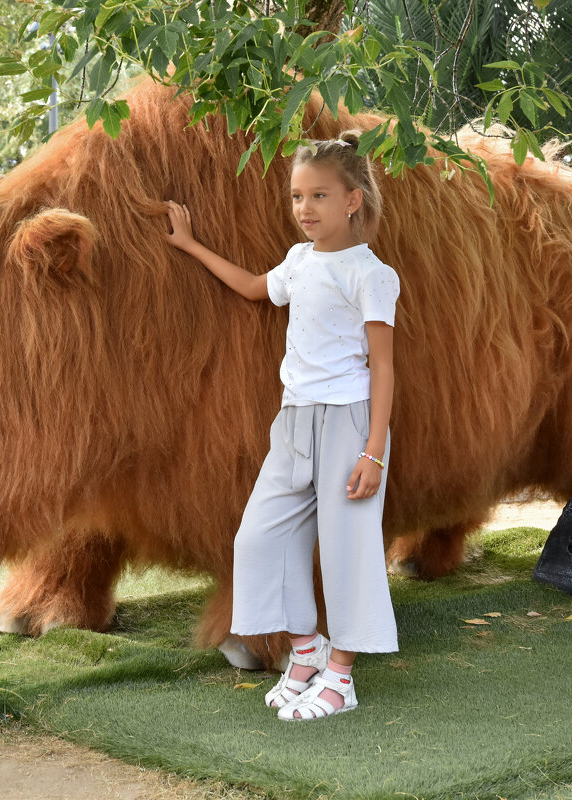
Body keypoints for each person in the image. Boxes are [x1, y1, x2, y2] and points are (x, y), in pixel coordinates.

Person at [165, 130, 398, 722]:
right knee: (259, 539)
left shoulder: (371, 275)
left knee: (347, 551)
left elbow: (385, 367)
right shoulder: (298, 262)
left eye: (318, 196)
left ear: (352, 200)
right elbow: (250, 288)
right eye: (297, 196)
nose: (304, 209)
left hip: (349, 424)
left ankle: (340, 677)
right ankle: (305, 649)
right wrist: (190, 245)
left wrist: (373, 453)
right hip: (292, 421)